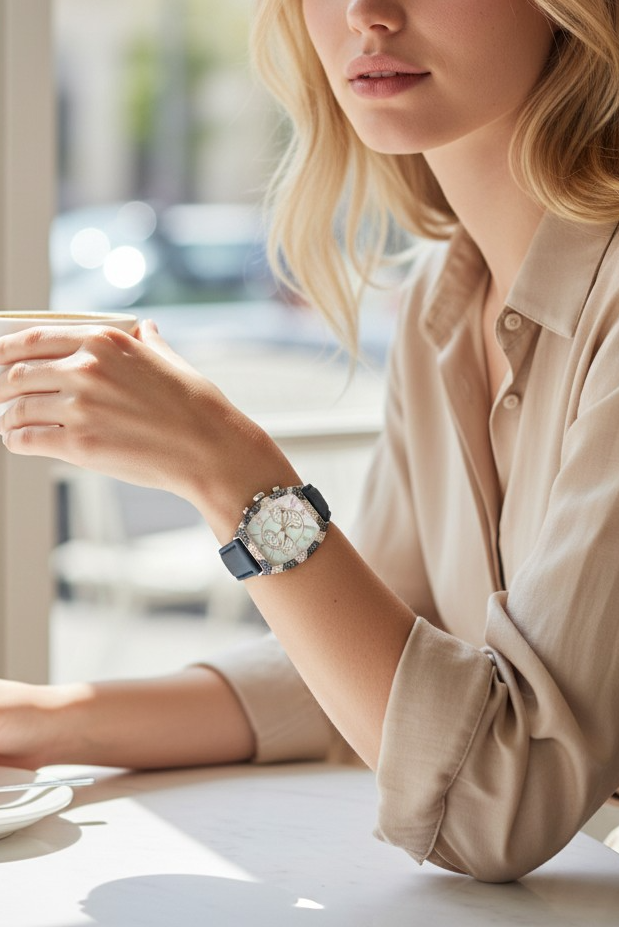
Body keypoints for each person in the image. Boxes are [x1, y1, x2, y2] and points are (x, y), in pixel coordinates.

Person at [0, 0, 619, 883]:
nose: (366, 13)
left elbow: (493, 805)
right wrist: (45, 720)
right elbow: (380, 676)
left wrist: (229, 472)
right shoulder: (443, 299)